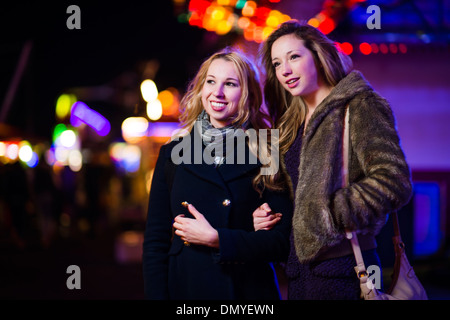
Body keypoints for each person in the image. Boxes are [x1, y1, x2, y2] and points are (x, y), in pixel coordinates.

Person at [252, 21, 413, 300]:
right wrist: (268, 216)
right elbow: (296, 198)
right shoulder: (292, 122)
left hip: (347, 268)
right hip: (300, 274)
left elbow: (394, 180)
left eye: (294, 57)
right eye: (277, 64)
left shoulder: (360, 105)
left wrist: (330, 213)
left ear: (318, 55)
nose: (285, 70)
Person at [142, 48, 293, 300]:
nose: (218, 92)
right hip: (188, 289)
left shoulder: (268, 150)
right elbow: (155, 243)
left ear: (248, 94)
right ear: (201, 88)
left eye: (230, 84)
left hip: (248, 292)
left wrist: (218, 239)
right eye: (211, 81)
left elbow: (281, 243)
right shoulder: (173, 152)